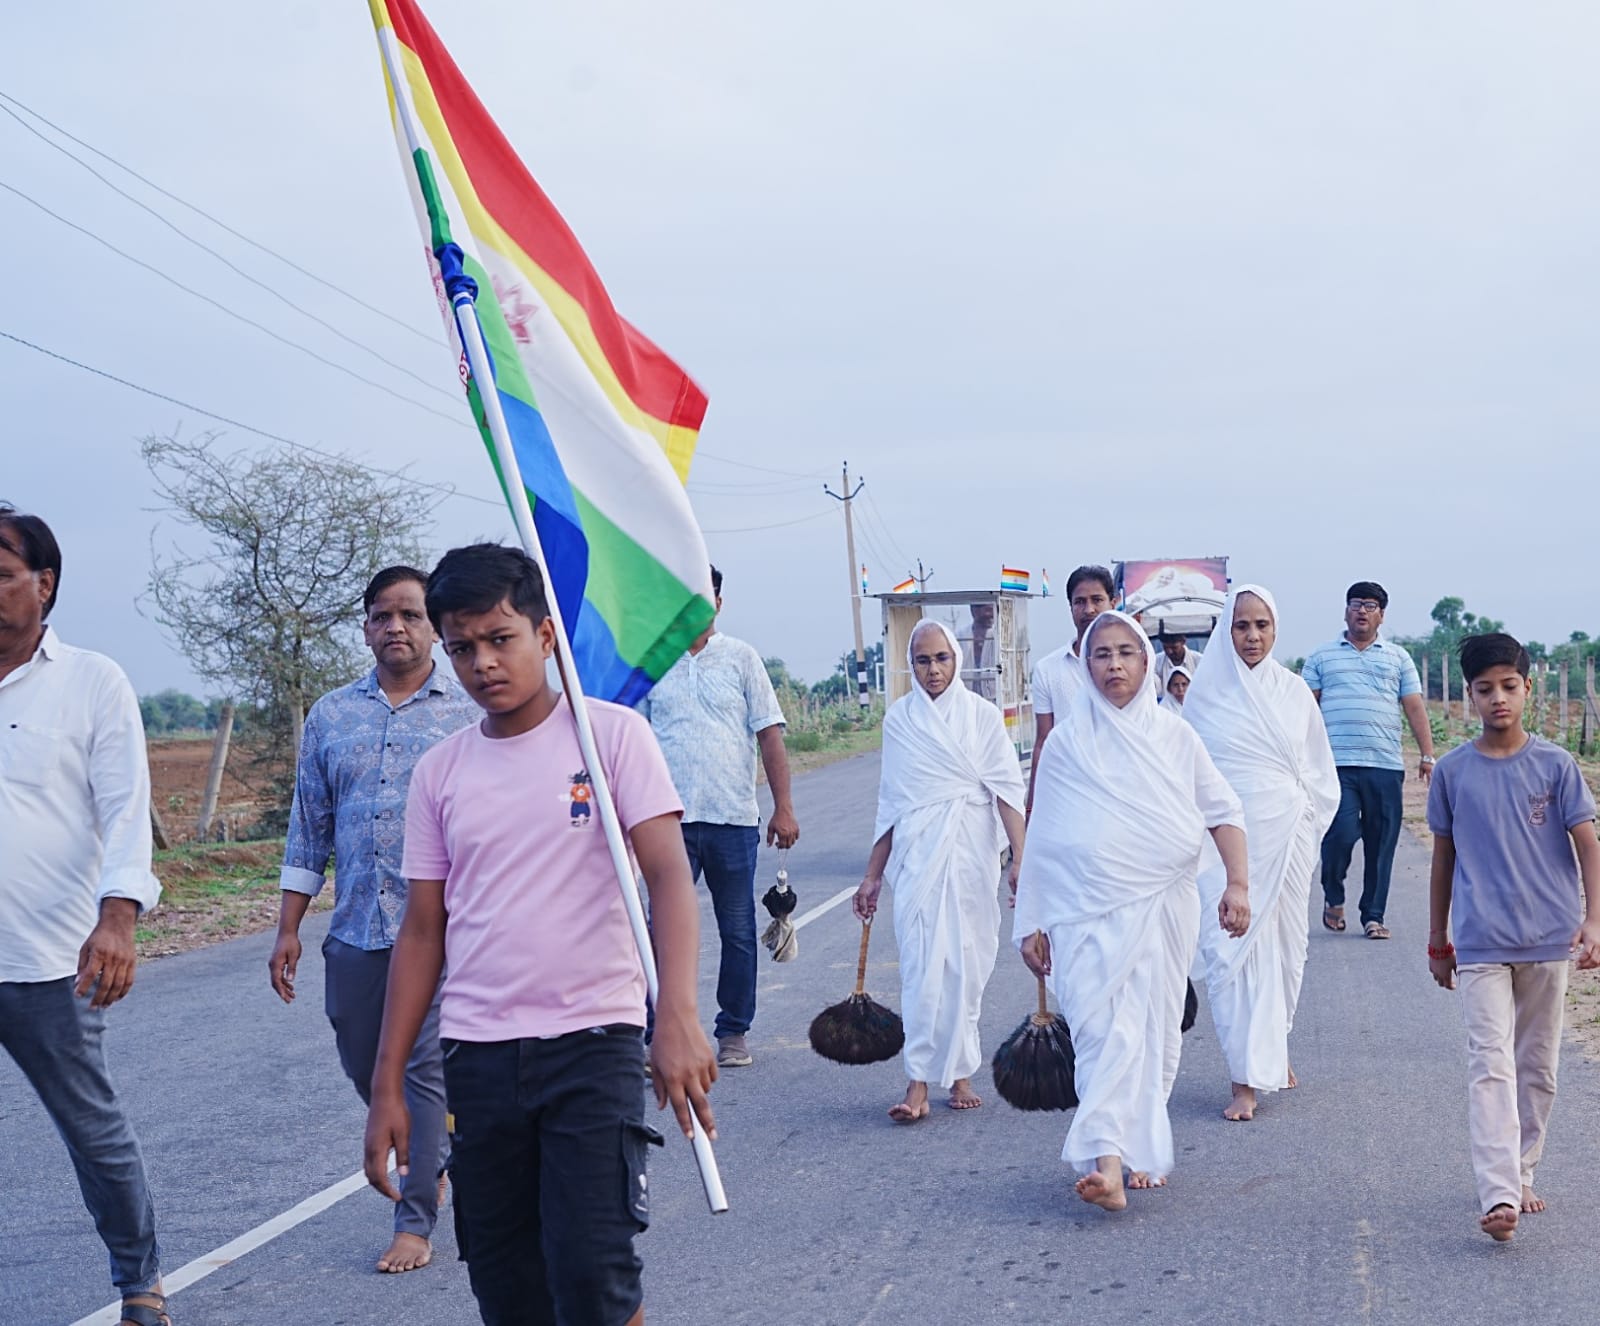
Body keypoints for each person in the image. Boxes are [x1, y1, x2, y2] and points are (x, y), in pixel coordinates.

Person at [363, 544, 716, 1326]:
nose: (483, 663)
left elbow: (668, 878)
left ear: (546, 635)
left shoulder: (612, 739)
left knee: (594, 1275)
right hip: (478, 1055)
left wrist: (678, 1016)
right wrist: (388, 1085)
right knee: (507, 1286)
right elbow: (422, 931)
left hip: (595, 1041)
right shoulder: (441, 773)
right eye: (462, 647)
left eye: (501, 638)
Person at [269, 565, 478, 1273]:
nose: (396, 627)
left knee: (420, 1068)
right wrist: (289, 926)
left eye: (411, 615)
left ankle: (414, 1218)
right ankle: (438, 1150)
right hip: (357, 926)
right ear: (364, 629)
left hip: (446, 928)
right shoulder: (331, 716)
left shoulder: (468, 712)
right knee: (365, 1059)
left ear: (434, 627)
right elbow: (309, 827)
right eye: (382, 616)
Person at [1014, 610, 1249, 1211]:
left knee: (1152, 1030)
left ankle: (1132, 1148)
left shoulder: (1176, 737)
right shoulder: (1065, 744)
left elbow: (1223, 811)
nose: (1114, 664)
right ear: (1085, 666)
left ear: (1147, 662)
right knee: (1099, 1033)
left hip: (1163, 909)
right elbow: (1044, 837)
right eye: (1101, 654)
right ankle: (1108, 1162)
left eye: (1125, 653)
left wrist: (1238, 885)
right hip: (1082, 914)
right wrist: (1031, 920)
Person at [0, 506, 172, 1326]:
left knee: (92, 1131)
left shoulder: (92, 680)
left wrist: (118, 918)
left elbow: (125, 808)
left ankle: (140, 1285)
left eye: (1, 576)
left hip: (47, 959)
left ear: (45, 585)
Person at [1426, 632, 1600, 1243]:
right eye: (1484, 689)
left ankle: (1523, 1169)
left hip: (1549, 939)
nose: (1497, 698)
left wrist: (1594, 920)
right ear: (1470, 696)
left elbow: (1588, 843)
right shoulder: (1452, 772)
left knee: (1537, 1066)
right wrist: (1438, 939)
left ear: (1527, 688)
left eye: (1508, 686)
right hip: (1480, 942)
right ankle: (1499, 1192)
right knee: (1489, 1062)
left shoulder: (1556, 765)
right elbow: (1442, 858)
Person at [853, 620, 1026, 1121]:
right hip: (917, 860)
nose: (933, 670)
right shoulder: (899, 720)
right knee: (920, 968)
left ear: (957, 660)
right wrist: (872, 876)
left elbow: (1006, 793)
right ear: (911, 665)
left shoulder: (983, 717)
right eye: (923, 661)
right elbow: (891, 803)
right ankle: (918, 1082)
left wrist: (1021, 860)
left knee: (966, 966)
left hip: (971, 855)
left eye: (942, 658)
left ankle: (961, 1072)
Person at [1186, 586, 1340, 1122]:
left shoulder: (1295, 692)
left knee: (1288, 949)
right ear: (1226, 631)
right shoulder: (1205, 695)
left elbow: (1318, 769)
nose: (1252, 636)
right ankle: (1243, 1079)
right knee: (1229, 953)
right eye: (1241, 626)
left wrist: (1306, 817)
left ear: (1275, 629)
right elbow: (1190, 778)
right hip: (1225, 845)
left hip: (1289, 836)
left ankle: (1273, 1048)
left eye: (1262, 625)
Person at [641, 564, 798, 1068]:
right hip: (667, 823)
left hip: (733, 818)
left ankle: (733, 1031)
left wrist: (783, 807)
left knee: (737, 931)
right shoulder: (652, 662)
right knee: (660, 930)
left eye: (703, 595)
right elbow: (632, 741)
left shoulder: (742, 658)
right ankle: (656, 1032)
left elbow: (769, 735)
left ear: (719, 603)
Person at [1302, 580, 1437, 939]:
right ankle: (1333, 894)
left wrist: (1427, 754)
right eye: (1356, 603)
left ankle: (1373, 916)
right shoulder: (1321, 657)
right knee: (1339, 834)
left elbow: (1414, 707)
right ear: (1345, 611)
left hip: (1384, 765)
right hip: (1335, 766)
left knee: (1381, 844)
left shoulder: (1398, 657)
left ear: (1382, 615)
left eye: (1371, 605)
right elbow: (1304, 710)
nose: (1362, 610)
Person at [1026, 564, 1114, 813]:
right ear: (1071, 608)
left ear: (1113, 603)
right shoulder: (1048, 669)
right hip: (1068, 790)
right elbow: (1043, 741)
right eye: (1080, 602)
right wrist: (1032, 807)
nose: (1089, 609)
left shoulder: (1131, 665)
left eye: (1097, 600)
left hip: (1119, 787)